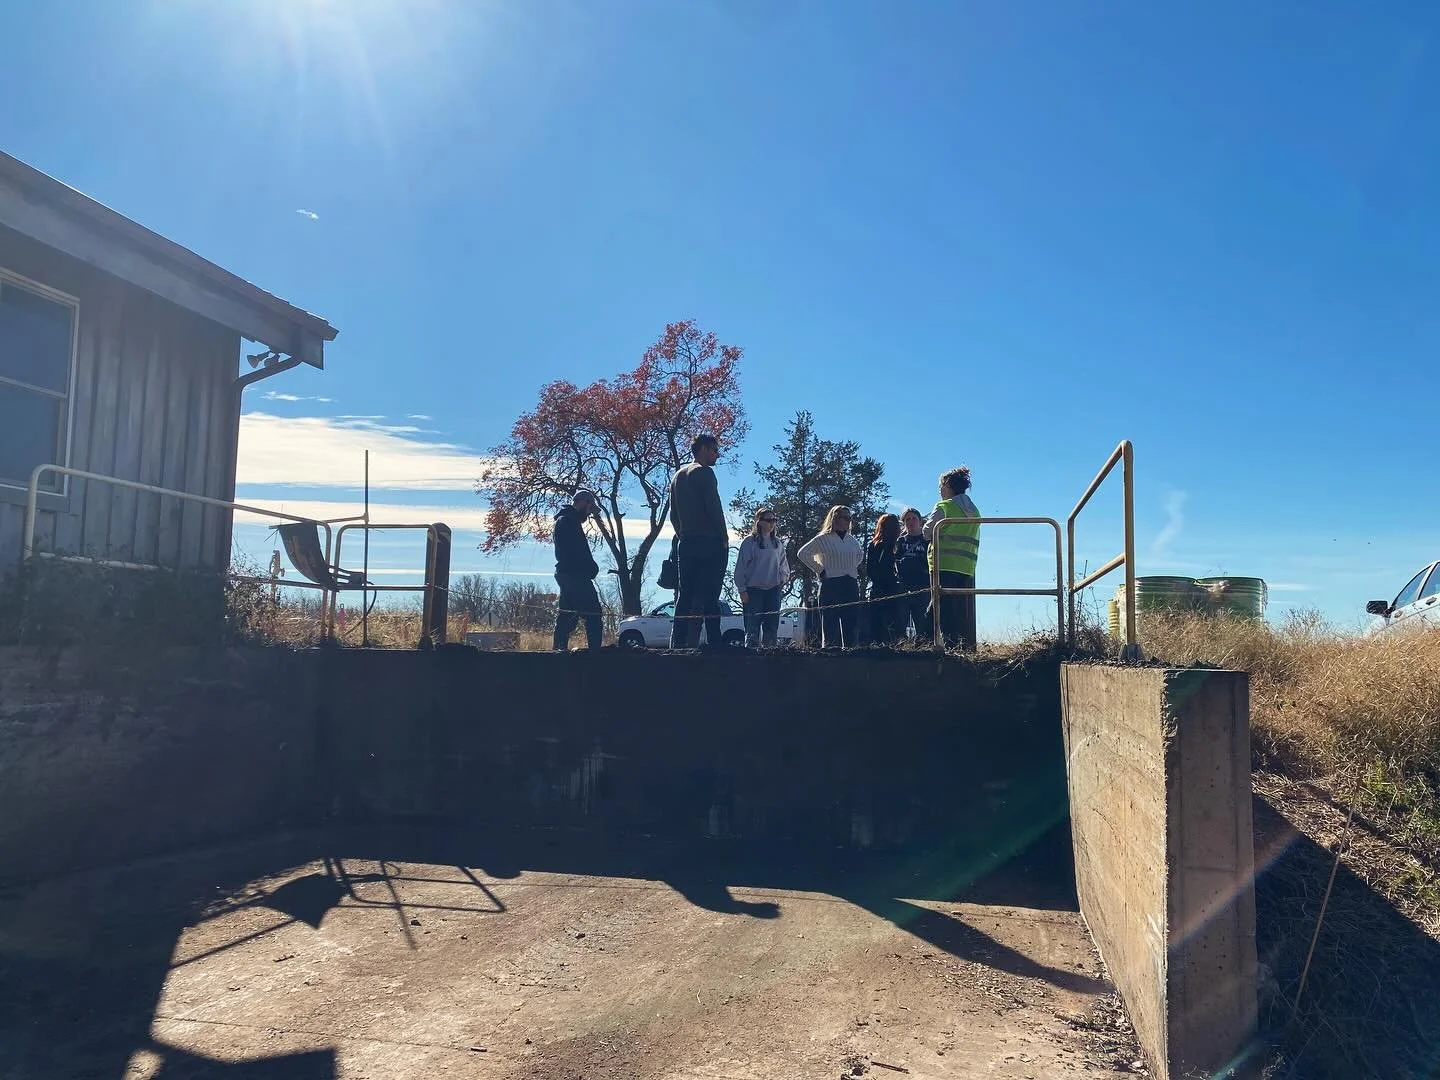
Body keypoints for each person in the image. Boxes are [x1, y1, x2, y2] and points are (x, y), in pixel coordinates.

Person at [669, 433, 728, 648]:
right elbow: (714, 506)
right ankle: (714, 642)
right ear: (703, 448)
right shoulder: (705, 473)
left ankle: (677, 642)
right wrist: (723, 537)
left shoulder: (677, 476)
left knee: (685, 594)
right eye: (714, 450)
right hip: (709, 541)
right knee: (711, 594)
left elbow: (673, 515)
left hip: (686, 542)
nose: (717, 455)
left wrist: (683, 534)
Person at [923, 466, 981, 650]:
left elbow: (927, 532)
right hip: (966, 566)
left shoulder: (944, 506)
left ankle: (944, 646)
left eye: (941, 486)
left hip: (944, 564)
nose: (940, 490)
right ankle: (960, 646)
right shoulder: (974, 510)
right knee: (958, 609)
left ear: (947, 486)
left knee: (941, 609)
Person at [797, 505, 864, 649]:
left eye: (849, 518)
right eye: (844, 518)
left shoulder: (852, 540)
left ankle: (852, 656)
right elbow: (803, 553)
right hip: (831, 584)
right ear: (834, 519)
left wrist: (851, 567)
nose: (848, 521)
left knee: (851, 625)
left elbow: (860, 554)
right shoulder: (823, 539)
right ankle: (830, 656)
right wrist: (820, 570)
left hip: (851, 584)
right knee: (830, 626)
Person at [552, 489, 603, 651]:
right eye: (589, 508)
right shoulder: (567, 521)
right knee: (594, 614)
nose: (588, 513)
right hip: (575, 575)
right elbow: (576, 552)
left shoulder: (568, 520)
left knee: (567, 616)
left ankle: (558, 651)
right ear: (582, 502)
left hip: (567, 574)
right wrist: (591, 567)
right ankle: (595, 654)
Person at [733, 507, 789, 648]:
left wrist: (782, 579)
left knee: (771, 627)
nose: (772, 523)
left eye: (774, 520)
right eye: (769, 520)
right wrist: (742, 589)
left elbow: (784, 565)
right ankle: (751, 655)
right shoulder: (749, 542)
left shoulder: (777, 543)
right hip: (753, 590)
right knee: (752, 628)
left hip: (773, 590)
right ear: (760, 522)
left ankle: (770, 655)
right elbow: (740, 568)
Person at [866, 513, 904, 645]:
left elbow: (870, 570)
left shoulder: (875, 544)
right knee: (892, 621)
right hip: (891, 587)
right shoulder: (894, 544)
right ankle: (892, 645)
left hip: (879, 588)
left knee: (877, 622)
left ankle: (877, 645)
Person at [895, 507, 931, 640]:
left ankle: (923, 645)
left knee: (922, 621)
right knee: (900, 620)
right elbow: (894, 559)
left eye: (914, 519)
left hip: (922, 586)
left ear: (920, 521)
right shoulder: (900, 541)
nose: (910, 522)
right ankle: (900, 645)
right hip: (903, 586)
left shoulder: (927, 541)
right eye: (907, 519)